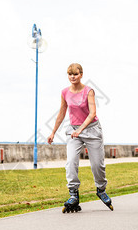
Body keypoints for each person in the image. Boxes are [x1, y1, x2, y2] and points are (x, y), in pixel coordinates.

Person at [47, 63, 113, 213]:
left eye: (75, 74)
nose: (72, 77)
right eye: (70, 74)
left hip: (91, 130)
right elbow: (62, 113)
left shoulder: (89, 91)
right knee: (71, 162)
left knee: (97, 165)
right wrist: (53, 132)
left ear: (81, 74)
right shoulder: (65, 92)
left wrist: (81, 129)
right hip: (73, 131)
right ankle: (73, 194)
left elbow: (92, 113)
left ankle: (101, 189)